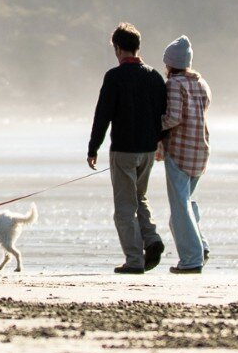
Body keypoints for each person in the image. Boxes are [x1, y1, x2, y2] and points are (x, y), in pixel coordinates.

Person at [86, 23, 169, 274]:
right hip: (147, 151)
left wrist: (93, 148)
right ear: (138, 47)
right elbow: (162, 114)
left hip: (123, 150)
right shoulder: (154, 76)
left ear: (118, 48)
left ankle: (134, 260)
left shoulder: (114, 77)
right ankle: (152, 239)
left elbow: (103, 115)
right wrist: (160, 142)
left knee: (124, 207)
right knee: (139, 197)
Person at [157, 36, 211, 273]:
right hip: (200, 150)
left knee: (180, 206)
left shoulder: (174, 84)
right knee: (184, 203)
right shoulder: (200, 83)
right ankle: (201, 245)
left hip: (180, 152)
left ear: (170, 64)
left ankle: (191, 259)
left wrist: (153, 126)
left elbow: (173, 118)